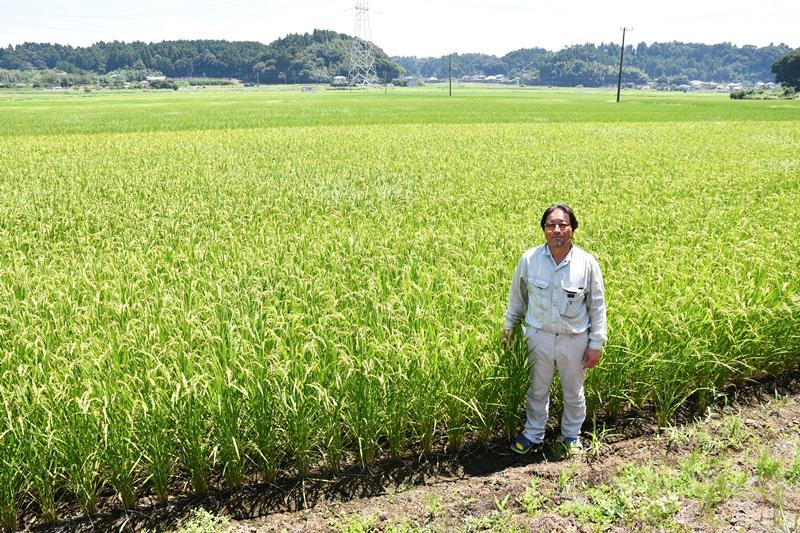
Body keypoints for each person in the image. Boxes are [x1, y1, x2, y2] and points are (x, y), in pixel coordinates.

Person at [501, 203, 607, 455]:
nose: (557, 229)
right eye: (551, 225)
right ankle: (533, 434)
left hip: (575, 339)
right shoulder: (529, 259)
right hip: (539, 337)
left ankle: (571, 436)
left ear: (572, 229)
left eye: (563, 224)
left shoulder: (587, 263)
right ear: (544, 230)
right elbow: (517, 298)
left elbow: (597, 305)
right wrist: (508, 328)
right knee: (537, 390)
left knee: (573, 391)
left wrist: (596, 344)